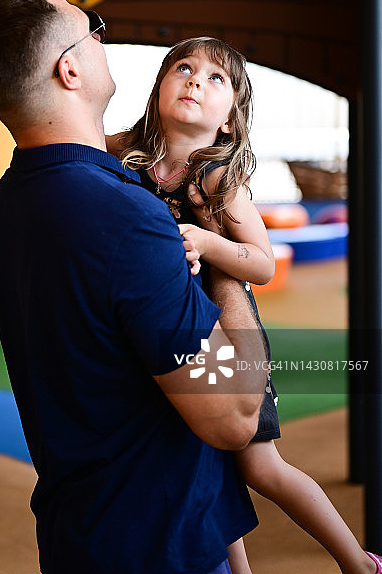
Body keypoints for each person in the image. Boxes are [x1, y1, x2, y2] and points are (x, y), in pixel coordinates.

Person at [0, 0, 269, 574]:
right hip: (161, 544)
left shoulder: (13, 198)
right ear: (69, 69)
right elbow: (234, 415)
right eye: (92, 30)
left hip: (80, 530)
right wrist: (227, 269)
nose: (104, 40)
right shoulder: (127, 218)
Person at [107, 36, 382, 574]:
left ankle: (358, 562)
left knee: (259, 466)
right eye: (183, 68)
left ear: (229, 120)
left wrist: (209, 244)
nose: (195, 81)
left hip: (228, 335)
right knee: (204, 462)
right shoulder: (126, 154)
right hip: (173, 328)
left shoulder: (215, 179)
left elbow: (262, 261)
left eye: (216, 79)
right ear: (159, 87)